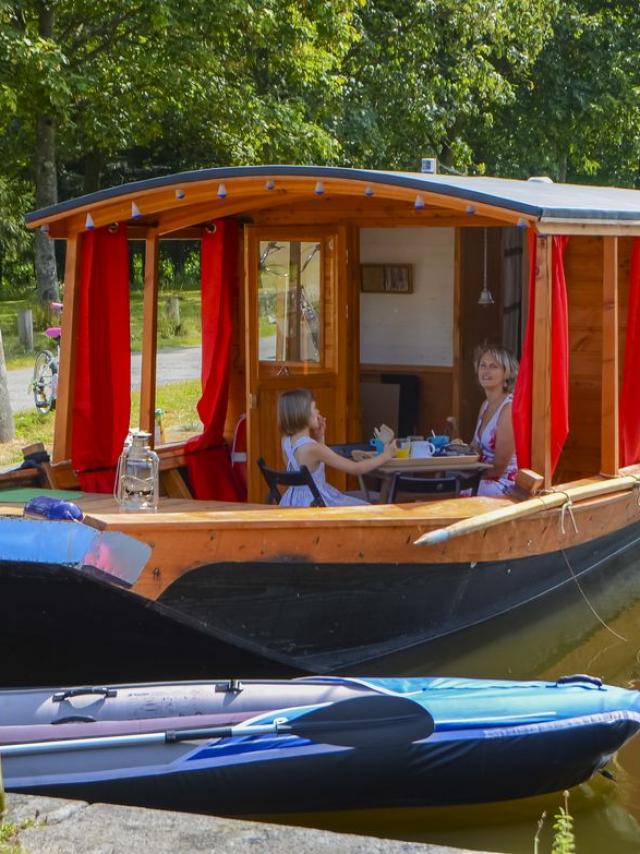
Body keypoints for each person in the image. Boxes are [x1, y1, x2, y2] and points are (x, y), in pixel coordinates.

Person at [277, 388, 396, 507]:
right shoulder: (313, 448)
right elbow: (356, 468)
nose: (318, 411)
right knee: (368, 508)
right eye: (314, 408)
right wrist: (386, 456)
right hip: (315, 503)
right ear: (302, 414)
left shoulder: (286, 442)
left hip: (292, 503)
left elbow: (310, 466)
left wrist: (320, 437)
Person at [471, 345, 519, 497]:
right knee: (444, 480)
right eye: (483, 365)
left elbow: (499, 467)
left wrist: (467, 477)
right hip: (482, 475)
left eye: (493, 366)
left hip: (503, 482)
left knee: (455, 488)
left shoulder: (508, 409)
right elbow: (475, 449)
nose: (486, 371)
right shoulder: (485, 405)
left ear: (506, 373)